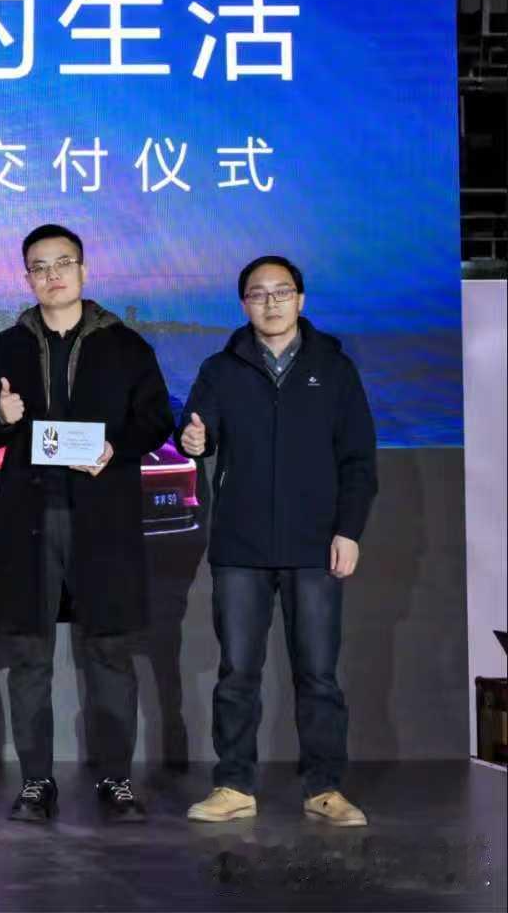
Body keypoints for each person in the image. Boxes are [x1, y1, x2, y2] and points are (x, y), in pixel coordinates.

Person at [0, 224, 174, 824]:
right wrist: (1, 417)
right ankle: (36, 782)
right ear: (26, 278)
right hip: (29, 520)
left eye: (62, 263)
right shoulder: (4, 348)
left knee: (108, 651)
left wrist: (115, 448)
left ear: (83, 270)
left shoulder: (126, 347)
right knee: (29, 655)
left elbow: (156, 420)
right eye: (39, 266)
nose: (52, 275)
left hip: (102, 520)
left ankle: (115, 779)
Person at [178, 255, 377, 828]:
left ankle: (324, 788)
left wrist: (348, 531)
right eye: (258, 294)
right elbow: (197, 429)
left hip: (315, 546)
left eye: (281, 291)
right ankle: (234, 785)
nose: (271, 303)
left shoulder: (334, 369)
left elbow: (359, 460)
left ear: (300, 299)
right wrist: (194, 438)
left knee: (318, 674)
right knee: (237, 672)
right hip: (240, 547)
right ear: (244, 304)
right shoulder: (221, 368)